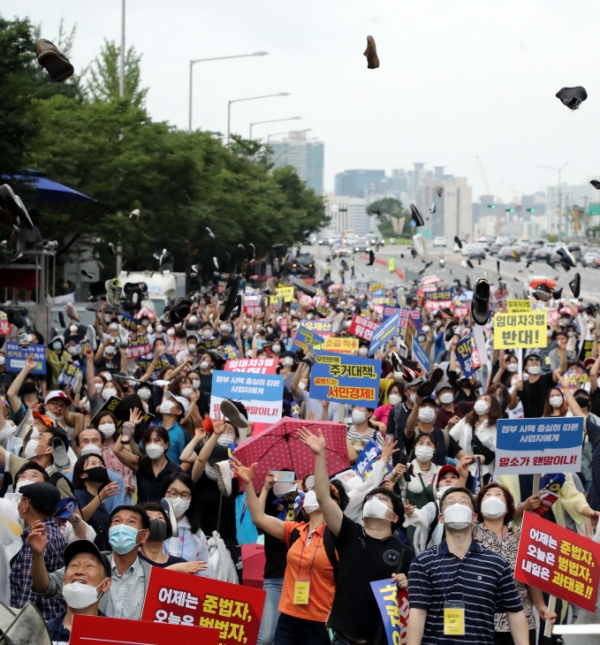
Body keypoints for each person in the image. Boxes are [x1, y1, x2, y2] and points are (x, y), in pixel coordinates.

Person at [298, 427, 414, 645]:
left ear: (395, 517)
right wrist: (320, 455)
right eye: (371, 497)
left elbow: (415, 600)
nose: (374, 500)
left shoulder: (405, 553)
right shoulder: (349, 532)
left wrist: (407, 583)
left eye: (382, 498)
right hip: (342, 638)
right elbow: (323, 497)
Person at [233, 456, 339, 645]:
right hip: (289, 616)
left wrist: (319, 454)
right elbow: (258, 517)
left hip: (320, 620)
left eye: (314, 491)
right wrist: (248, 484)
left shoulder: (338, 535)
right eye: (308, 491)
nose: (310, 494)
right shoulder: (294, 530)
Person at [407, 486, 530, 645]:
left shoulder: (496, 563)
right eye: (450, 503)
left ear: (473, 517)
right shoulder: (423, 562)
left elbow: (514, 611)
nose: (457, 505)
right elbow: (417, 613)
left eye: (464, 502)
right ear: (441, 517)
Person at [31, 505, 153, 620]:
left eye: (131, 522)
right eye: (117, 521)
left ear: (144, 535)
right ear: (110, 530)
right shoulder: (90, 565)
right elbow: (45, 586)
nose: (122, 527)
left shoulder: (153, 576)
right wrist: (37, 555)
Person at [473, 483, 556, 645]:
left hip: (521, 616)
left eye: (498, 495)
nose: (492, 498)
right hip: (482, 620)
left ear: (507, 507)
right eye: (487, 495)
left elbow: (529, 575)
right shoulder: (470, 533)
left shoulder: (520, 534)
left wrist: (540, 605)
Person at [11, 482, 66, 619]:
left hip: (35, 624)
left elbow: (26, 594)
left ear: (25, 505)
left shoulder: (35, 538)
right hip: (52, 616)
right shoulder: (54, 533)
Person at [44, 540, 112, 644]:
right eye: (74, 565)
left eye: (89, 565)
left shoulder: (113, 635)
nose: (79, 571)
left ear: (106, 584)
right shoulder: (44, 634)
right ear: (63, 581)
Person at [114, 418, 180, 504]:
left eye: (157, 441)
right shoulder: (140, 464)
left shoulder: (174, 470)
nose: (152, 444)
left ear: (166, 445)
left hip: (163, 514)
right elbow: (117, 450)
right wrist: (128, 428)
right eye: (149, 441)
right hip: (143, 514)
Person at [161, 472, 213, 577]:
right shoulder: (151, 527)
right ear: (164, 494)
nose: (178, 499)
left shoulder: (197, 534)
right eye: (174, 493)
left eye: (184, 495)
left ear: (191, 499)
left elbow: (205, 572)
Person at [71, 453, 120, 551]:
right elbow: (79, 518)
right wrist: (100, 497)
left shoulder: (101, 502)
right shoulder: (78, 494)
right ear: (82, 474)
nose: (99, 466)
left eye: (101, 464)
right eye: (93, 464)